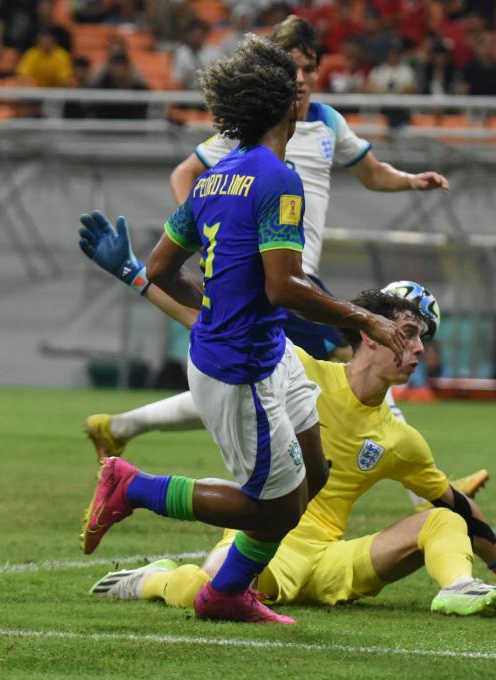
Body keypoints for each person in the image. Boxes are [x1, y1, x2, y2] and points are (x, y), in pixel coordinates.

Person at [77, 36, 406, 625]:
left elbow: (160, 269)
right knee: (275, 509)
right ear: (284, 107)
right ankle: (134, 489)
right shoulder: (279, 180)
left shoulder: (213, 179)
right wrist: (365, 318)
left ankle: (226, 592)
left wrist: (211, 304)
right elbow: (285, 287)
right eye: (293, 83)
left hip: (270, 352)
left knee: (316, 473)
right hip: (240, 369)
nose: (302, 87)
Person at [85, 16, 449, 470]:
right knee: (358, 359)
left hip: (278, 285)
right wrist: (214, 231)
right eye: (292, 69)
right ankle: (423, 483)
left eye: (309, 68)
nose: (301, 79)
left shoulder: (326, 125)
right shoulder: (261, 159)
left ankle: (121, 428)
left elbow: (372, 172)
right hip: (288, 280)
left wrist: (409, 180)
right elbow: (188, 181)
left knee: (239, 366)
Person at [87, 288, 496, 619]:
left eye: (423, 339)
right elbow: (215, 322)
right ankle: (153, 579)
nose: (419, 349)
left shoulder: (401, 439)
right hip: (267, 537)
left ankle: (458, 587)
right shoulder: (299, 369)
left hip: (328, 560)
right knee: (205, 593)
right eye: (409, 334)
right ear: (369, 332)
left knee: (443, 519)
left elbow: (456, 503)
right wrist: (139, 276)